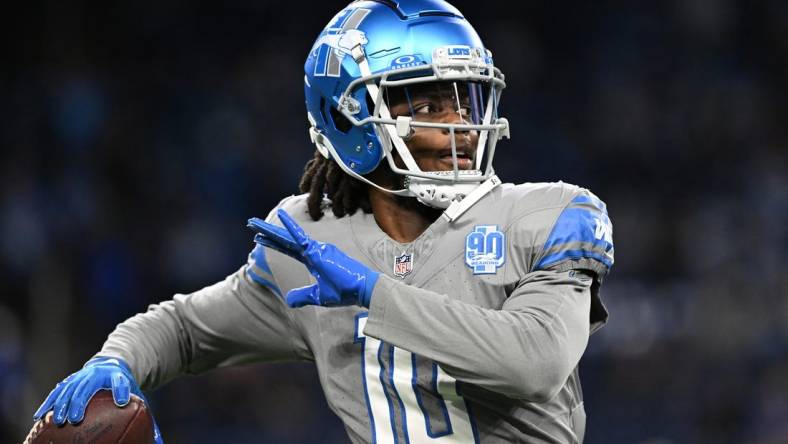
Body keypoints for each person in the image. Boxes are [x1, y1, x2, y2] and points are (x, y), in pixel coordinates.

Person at [32, 0, 614, 442]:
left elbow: (534, 363)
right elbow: (185, 329)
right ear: (350, 120)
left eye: (465, 100)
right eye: (429, 104)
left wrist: (373, 295)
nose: (458, 125)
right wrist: (117, 359)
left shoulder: (551, 215)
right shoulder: (311, 242)